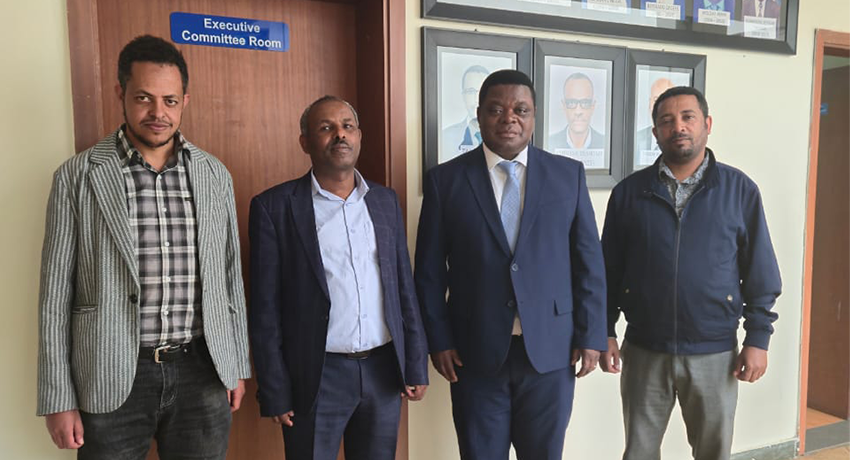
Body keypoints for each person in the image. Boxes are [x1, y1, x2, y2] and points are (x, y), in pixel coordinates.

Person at [37, 35, 251, 459]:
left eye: (170, 100)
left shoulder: (213, 176)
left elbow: (229, 279)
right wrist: (57, 396)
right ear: (121, 94)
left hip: (203, 371)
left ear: (185, 100)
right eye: (144, 98)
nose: (158, 113)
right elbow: (54, 297)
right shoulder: (78, 177)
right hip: (112, 373)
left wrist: (237, 365)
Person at [416, 69, 607, 460]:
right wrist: (439, 340)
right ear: (479, 115)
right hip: (474, 352)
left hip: (552, 351)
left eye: (521, 109)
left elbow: (588, 263)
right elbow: (430, 273)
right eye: (496, 109)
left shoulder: (567, 175)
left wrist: (592, 334)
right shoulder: (445, 181)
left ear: (534, 117)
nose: (509, 118)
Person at [600, 86, 782, 460]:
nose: (678, 127)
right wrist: (602, 330)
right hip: (645, 350)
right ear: (655, 133)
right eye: (666, 121)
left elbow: (761, 271)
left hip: (715, 353)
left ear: (707, 124)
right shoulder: (629, 193)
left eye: (687, 117)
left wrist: (758, 338)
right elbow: (608, 271)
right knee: (639, 451)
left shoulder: (739, 191)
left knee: (713, 452)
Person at [249, 96, 429, 460]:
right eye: (326, 128)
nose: (340, 135)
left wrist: (415, 363)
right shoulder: (275, 208)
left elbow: (402, 290)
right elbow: (264, 309)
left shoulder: (384, 201)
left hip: (382, 371)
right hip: (316, 375)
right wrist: (275, 389)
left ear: (359, 136)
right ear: (305, 142)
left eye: (347, 126)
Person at [548, 72, 607, 151]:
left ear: (593, 107)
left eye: (585, 103)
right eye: (572, 103)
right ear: (564, 106)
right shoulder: (551, 142)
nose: (578, 111)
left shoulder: (605, 144)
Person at [441, 65, 490, 161]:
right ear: (463, 96)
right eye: (471, 91)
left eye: (481, 92)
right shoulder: (446, 137)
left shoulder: (506, 136)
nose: (477, 99)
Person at [634, 77, 675, 161]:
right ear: (650, 104)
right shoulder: (637, 139)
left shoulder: (682, 140)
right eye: (656, 100)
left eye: (667, 100)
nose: (661, 106)